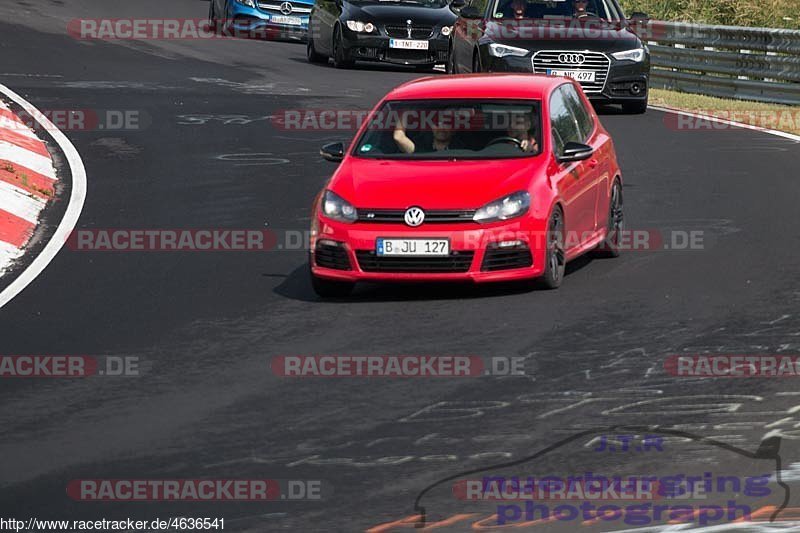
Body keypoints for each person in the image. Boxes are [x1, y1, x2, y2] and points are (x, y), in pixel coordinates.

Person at [393, 109, 465, 154]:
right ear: (431, 127)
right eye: (437, 123)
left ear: (454, 130)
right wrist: (406, 112)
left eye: (447, 124)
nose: (441, 128)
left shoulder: (463, 150)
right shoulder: (421, 147)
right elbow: (398, 137)